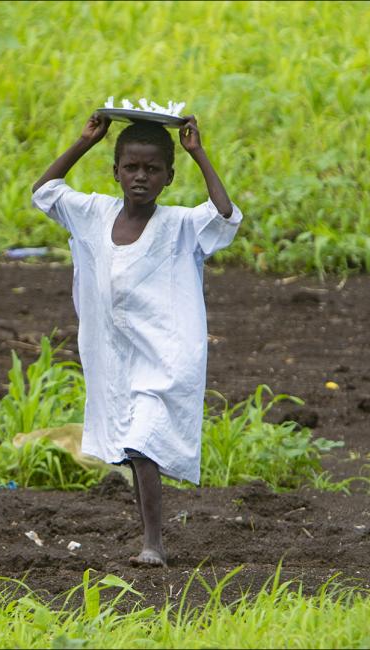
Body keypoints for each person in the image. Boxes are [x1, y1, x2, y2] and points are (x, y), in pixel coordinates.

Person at [31, 111, 242, 567]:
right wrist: (85, 141)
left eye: (152, 169)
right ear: (116, 172)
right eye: (131, 167)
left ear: (168, 177)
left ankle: (153, 544)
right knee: (130, 445)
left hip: (167, 355)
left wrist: (198, 152)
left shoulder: (180, 226)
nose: (140, 177)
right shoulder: (94, 215)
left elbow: (224, 215)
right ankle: (150, 536)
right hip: (115, 357)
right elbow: (45, 192)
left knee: (143, 443)